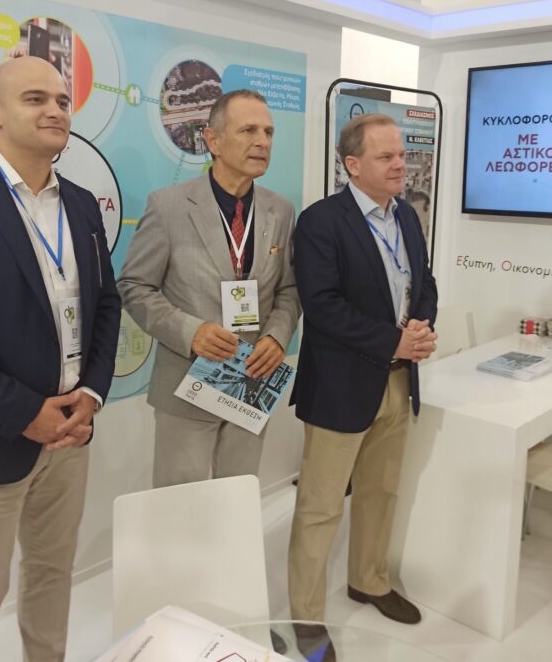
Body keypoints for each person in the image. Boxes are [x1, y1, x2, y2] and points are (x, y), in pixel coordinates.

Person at [0, 56, 121, 662]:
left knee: (53, 575)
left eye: (62, 100)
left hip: (72, 433)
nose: (55, 110)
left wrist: (92, 393)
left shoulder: (81, 203)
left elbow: (107, 304)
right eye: (35, 99)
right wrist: (25, 412)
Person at [288, 114, 438, 641]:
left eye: (402, 155)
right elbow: (322, 305)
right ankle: (305, 619)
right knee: (320, 507)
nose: (401, 165)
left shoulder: (407, 216)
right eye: (386, 156)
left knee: (381, 491)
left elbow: (424, 282)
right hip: (341, 386)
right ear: (352, 165)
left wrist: (420, 326)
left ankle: (368, 581)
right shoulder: (321, 222)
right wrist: (392, 340)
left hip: (397, 381)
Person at [117, 89, 300, 487]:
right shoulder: (169, 206)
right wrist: (190, 332)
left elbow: (288, 289)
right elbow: (134, 286)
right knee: (181, 508)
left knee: (238, 498)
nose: (262, 142)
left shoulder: (281, 210)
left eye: (268, 132)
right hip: (188, 385)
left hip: (251, 381)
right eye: (248, 130)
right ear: (212, 140)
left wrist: (276, 335)